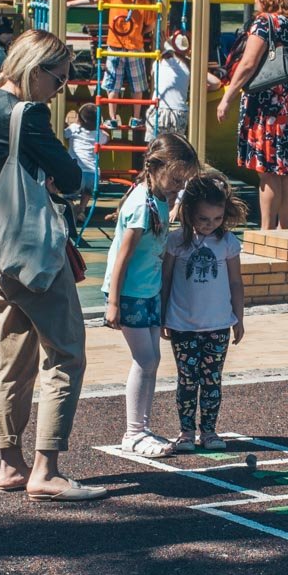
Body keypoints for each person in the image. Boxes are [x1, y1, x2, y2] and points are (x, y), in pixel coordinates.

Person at [0, 29, 107, 502]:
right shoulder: (28, 113)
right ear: (34, 68)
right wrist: (75, 177)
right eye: (58, 80)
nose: (60, 90)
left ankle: (11, 464)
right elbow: (69, 175)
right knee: (65, 353)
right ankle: (47, 469)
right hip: (31, 252)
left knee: (12, 359)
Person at [102, 133, 203, 458]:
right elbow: (122, 257)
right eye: (175, 179)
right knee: (145, 360)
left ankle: (139, 429)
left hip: (146, 292)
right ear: (155, 168)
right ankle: (134, 432)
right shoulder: (141, 207)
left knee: (151, 360)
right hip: (131, 294)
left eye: (182, 181)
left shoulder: (157, 198)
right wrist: (114, 302)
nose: (177, 186)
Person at [217, 0, 288, 230]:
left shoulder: (265, 24)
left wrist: (227, 97)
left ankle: (266, 230)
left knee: (269, 171)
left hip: (269, 104)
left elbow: (249, 64)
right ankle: (285, 230)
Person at [161, 171, 248, 452]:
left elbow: (236, 282)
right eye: (203, 219)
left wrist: (239, 318)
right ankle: (186, 431)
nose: (211, 225)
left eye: (217, 219)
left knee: (212, 381)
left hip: (218, 325)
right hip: (183, 324)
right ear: (188, 213)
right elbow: (166, 279)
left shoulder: (228, 243)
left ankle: (208, 431)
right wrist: (163, 316)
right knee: (187, 380)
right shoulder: (176, 241)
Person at [67, 0, 156, 129]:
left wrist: (72, 3)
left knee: (113, 83)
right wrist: (141, 31)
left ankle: (113, 118)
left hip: (114, 47)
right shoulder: (143, 2)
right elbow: (151, 25)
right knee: (138, 85)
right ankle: (136, 118)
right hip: (135, 49)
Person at [145, 30, 222, 142]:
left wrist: (166, 48)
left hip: (159, 110)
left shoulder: (159, 62)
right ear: (188, 50)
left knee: (154, 148)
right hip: (179, 113)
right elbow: (216, 83)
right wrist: (197, 89)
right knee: (174, 150)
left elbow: (154, 74)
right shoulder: (189, 66)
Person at [64, 102, 108, 229]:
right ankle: (82, 209)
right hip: (92, 173)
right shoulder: (99, 134)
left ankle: (71, 207)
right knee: (87, 193)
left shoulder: (73, 128)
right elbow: (107, 138)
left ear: (78, 119)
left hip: (75, 171)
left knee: (70, 194)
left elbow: (64, 133)